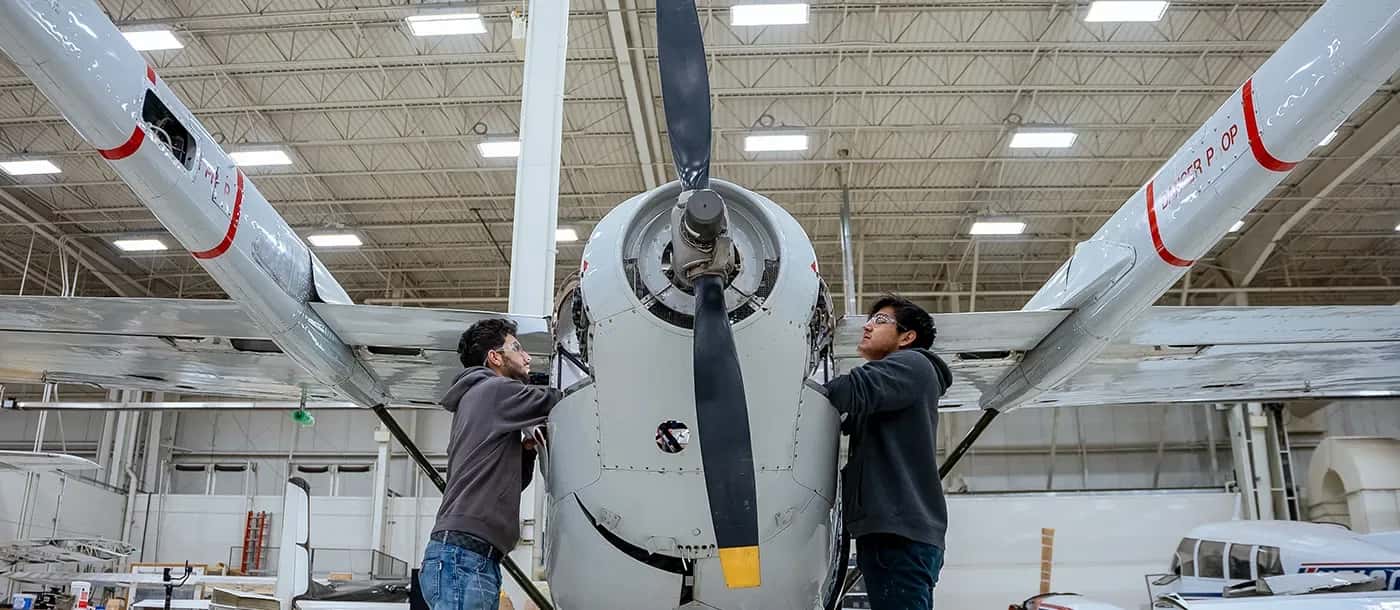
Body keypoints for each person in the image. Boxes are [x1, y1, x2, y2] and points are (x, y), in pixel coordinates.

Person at [421, 318, 561, 610]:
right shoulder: (493, 390)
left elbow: (512, 485)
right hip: (465, 558)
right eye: (517, 348)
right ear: (495, 357)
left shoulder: (479, 399)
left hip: (468, 557)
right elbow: (555, 400)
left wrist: (525, 451)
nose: (527, 357)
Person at [825, 294, 954, 610]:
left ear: (907, 337)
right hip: (895, 533)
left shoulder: (912, 364)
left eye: (880, 320)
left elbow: (844, 392)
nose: (867, 326)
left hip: (900, 535)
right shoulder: (895, 385)